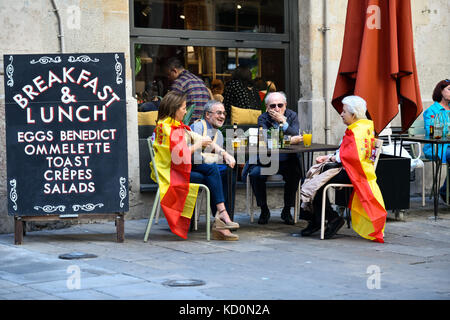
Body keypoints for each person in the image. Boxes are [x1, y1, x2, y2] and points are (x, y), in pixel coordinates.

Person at [151, 91, 239, 241]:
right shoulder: (165, 128)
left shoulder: (178, 126)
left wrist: (225, 154)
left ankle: (221, 217)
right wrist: (198, 145)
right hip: (170, 172)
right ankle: (221, 218)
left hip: (181, 168)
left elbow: (205, 140)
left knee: (212, 172)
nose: (186, 112)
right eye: (184, 108)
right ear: (174, 108)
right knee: (212, 173)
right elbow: (178, 156)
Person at [300, 95, 387, 242]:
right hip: (354, 170)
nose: (341, 114)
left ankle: (328, 219)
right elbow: (345, 152)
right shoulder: (363, 127)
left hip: (353, 173)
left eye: (344, 111)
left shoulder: (356, 131)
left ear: (353, 115)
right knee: (315, 180)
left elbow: (352, 156)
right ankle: (322, 219)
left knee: (316, 182)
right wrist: (329, 157)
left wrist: (332, 159)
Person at [243, 91, 301, 225]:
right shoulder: (263, 118)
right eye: (272, 106)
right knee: (255, 174)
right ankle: (264, 209)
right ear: (267, 107)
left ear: (285, 105)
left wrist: (284, 123)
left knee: (296, 173)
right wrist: (289, 141)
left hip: (288, 159)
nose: (277, 109)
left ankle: (287, 210)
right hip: (267, 159)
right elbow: (264, 139)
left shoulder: (292, 115)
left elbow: (297, 135)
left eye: (280, 105)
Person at [190, 100, 237, 222]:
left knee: (228, 171)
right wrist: (213, 159)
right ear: (207, 115)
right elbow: (194, 157)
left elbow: (218, 160)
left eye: (224, 113)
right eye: (218, 113)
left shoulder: (219, 135)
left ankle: (225, 216)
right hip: (192, 165)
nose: (222, 116)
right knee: (215, 169)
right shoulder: (198, 126)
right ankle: (221, 215)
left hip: (208, 168)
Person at [422, 79, 450, 203]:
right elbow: (432, 133)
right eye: (449, 89)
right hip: (437, 147)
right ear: (441, 91)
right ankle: (445, 192)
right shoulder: (432, 111)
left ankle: (445, 191)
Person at [164, 57, 211, 123]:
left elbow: (170, 109)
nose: (168, 78)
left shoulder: (179, 83)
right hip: (205, 125)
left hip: (189, 126)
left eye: (168, 75)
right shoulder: (199, 80)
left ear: (175, 71)